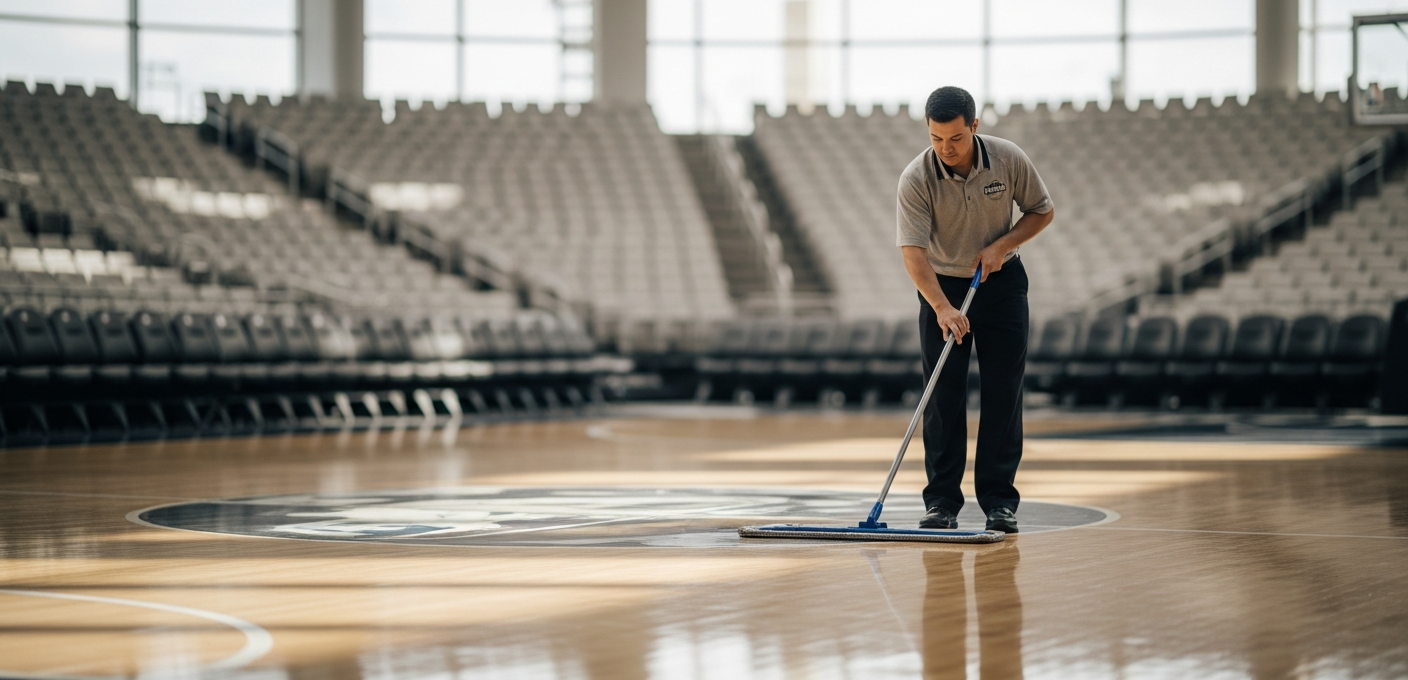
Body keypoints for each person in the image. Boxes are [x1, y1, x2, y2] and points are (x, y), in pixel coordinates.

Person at [896, 86, 1054, 533]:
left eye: (955, 139)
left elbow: (1042, 211)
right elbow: (913, 254)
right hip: (942, 287)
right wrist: (943, 308)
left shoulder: (1007, 159)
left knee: (1004, 393)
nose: (946, 149)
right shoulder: (916, 178)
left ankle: (1000, 502)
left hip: (1000, 284)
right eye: (936, 139)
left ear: (974, 128)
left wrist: (1003, 245)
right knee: (942, 397)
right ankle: (941, 503)